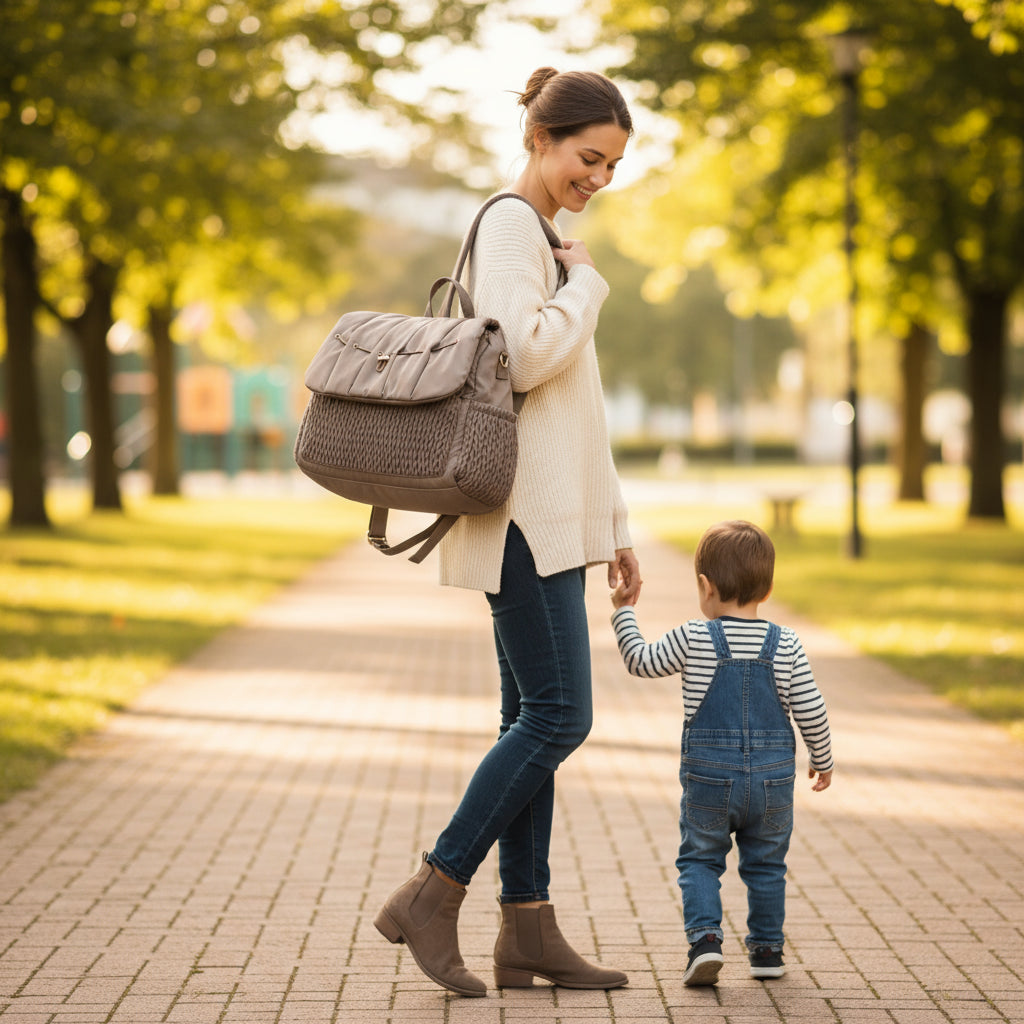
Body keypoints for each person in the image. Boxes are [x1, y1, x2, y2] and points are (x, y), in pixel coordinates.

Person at [373, 67, 641, 998]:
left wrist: (615, 527)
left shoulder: (548, 238)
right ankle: (433, 889)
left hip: (557, 517)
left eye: (610, 164)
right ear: (540, 139)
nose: (597, 177)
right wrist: (590, 288)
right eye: (586, 156)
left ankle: (527, 930)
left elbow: (579, 407)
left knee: (526, 717)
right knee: (562, 715)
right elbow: (526, 358)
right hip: (523, 517)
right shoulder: (511, 229)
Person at [610, 520, 833, 986]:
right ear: (767, 589)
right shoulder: (787, 643)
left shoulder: (694, 636)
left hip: (709, 779)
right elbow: (811, 707)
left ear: (705, 587)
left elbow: (641, 661)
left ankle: (705, 943)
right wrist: (823, 757)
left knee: (700, 859)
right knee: (768, 864)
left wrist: (623, 611)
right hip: (772, 783)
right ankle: (768, 951)